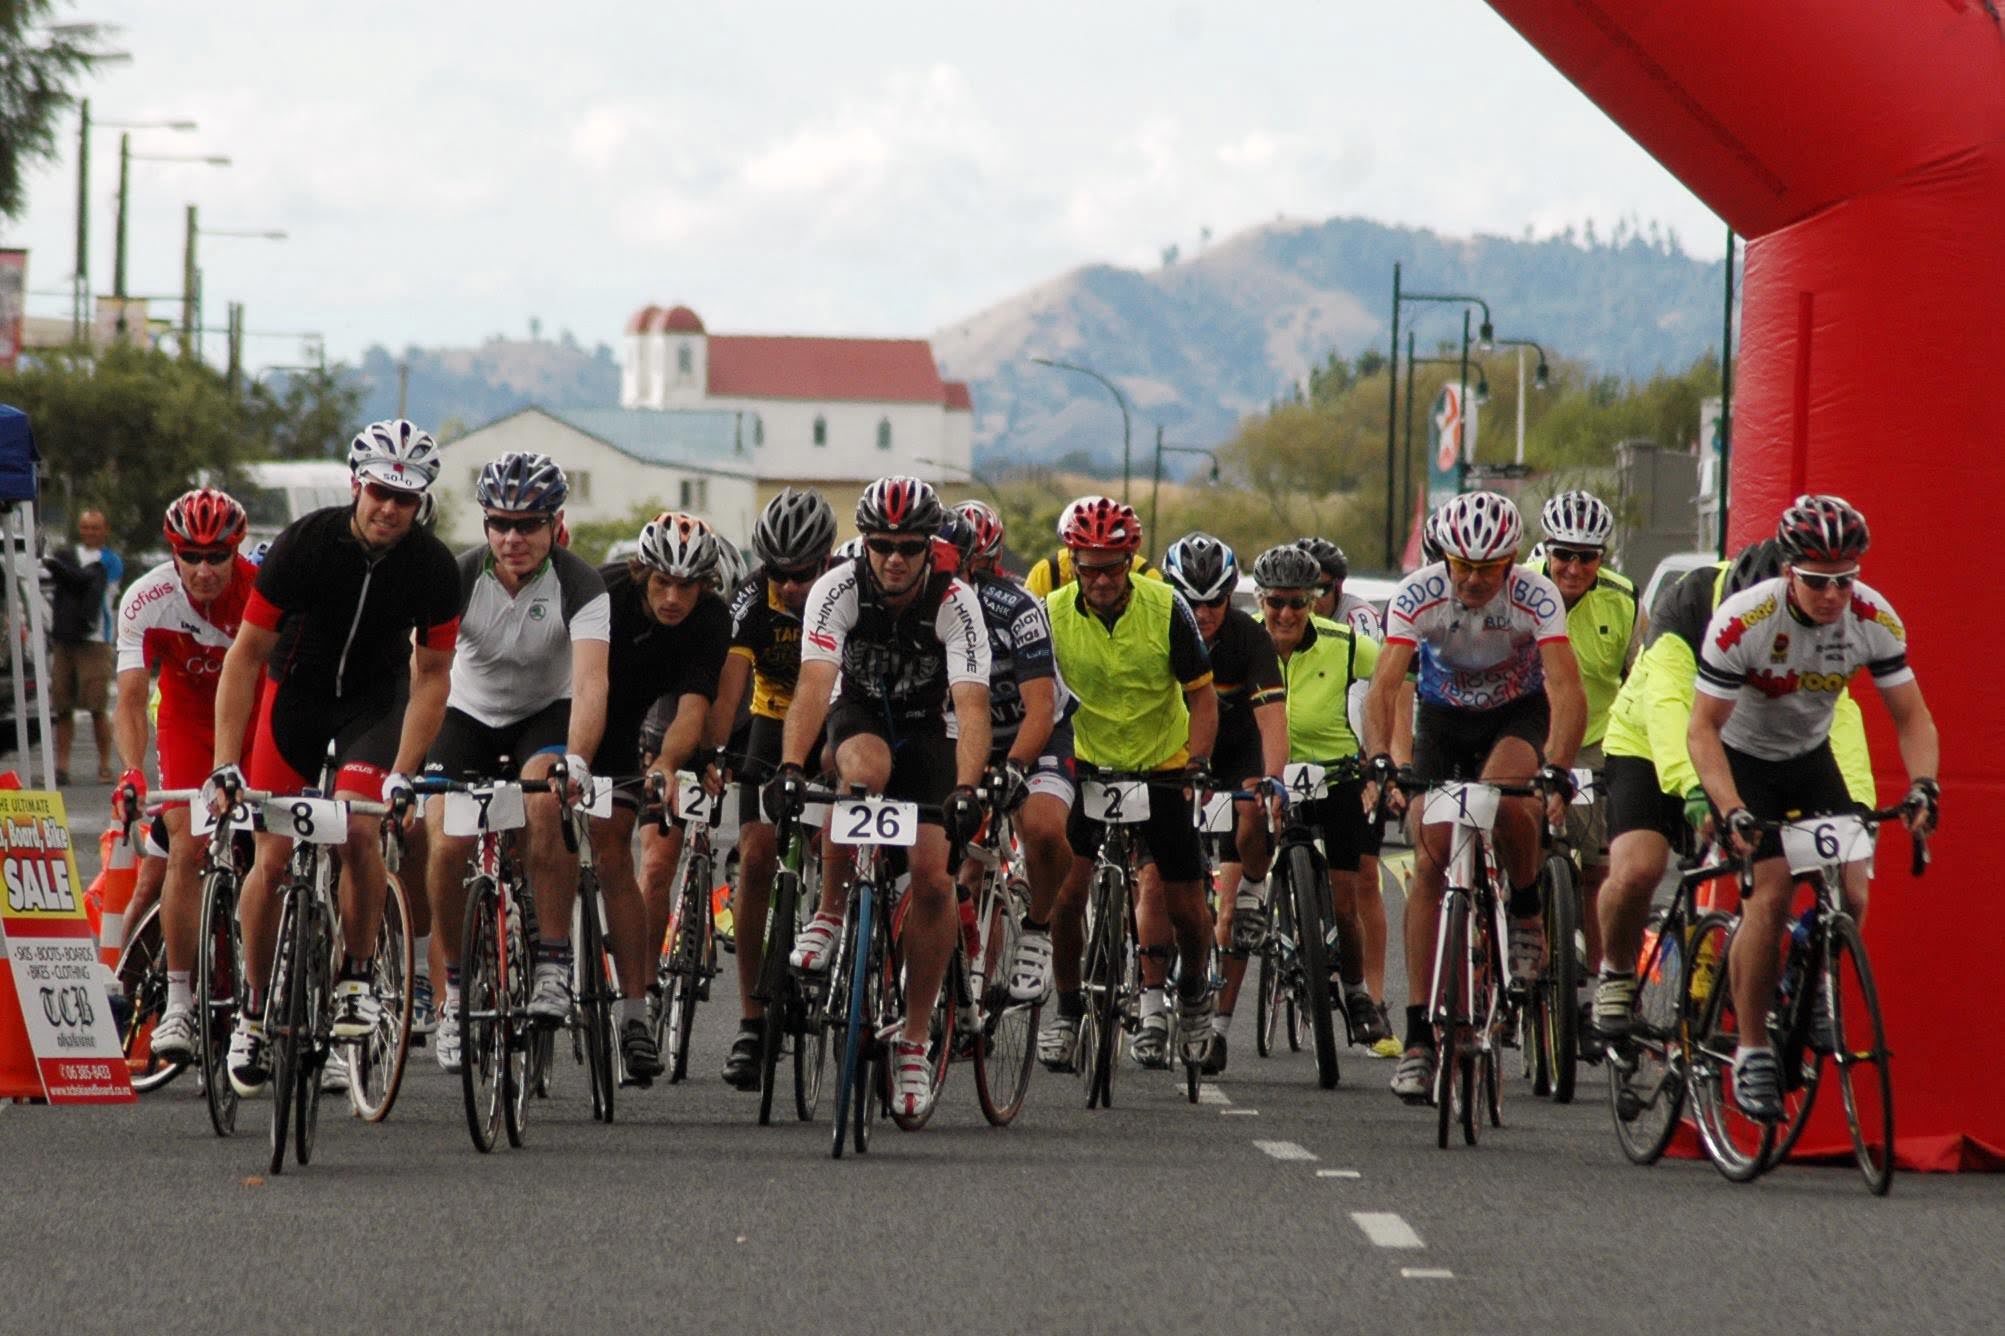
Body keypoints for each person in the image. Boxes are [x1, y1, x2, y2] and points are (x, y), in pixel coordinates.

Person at [207, 419, 460, 1098]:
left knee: (357, 828)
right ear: (357, 484)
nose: (389, 508)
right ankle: (254, 1012)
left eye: (405, 498)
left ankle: (353, 976)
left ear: (421, 502)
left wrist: (405, 771)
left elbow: (433, 675)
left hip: (373, 706)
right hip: (296, 698)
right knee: (273, 858)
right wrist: (225, 763)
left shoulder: (433, 568)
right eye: (380, 491)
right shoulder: (306, 543)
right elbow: (247, 656)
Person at [1687, 495, 1937, 1121]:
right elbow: (1701, 731)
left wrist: (1924, 785)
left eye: (1845, 581)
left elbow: (1911, 716)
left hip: (1807, 755)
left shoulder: (1872, 617)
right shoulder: (1745, 621)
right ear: (1788, 570)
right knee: (1768, 894)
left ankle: (1806, 964)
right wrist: (1731, 809)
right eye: (1819, 582)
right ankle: (1750, 1053)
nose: (1833, 595)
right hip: (1742, 761)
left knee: (1853, 892)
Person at [1590, 537, 1877, 1039]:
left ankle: (1805, 978)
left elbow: (1840, 715)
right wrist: (1695, 790)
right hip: (1650, 740)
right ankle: (1616, 970)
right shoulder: (1686, 606)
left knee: (1835, 881)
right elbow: (1669, 706)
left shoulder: (1809, 619)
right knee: (1638, 868)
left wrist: (1857, 804)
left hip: (1744, 743)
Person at [769, 477, 991, 1120]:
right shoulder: (837, 586)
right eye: (881, 544)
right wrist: (788, 765)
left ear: (930, 549)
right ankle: (834, 911)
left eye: (909, 546)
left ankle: (915, 1040)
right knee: (862, 769)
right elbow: (813, 686)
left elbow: (972, 709)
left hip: (929, 728)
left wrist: (967, 790)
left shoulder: (956, 600)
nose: (894, 558)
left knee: (932, 880)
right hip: (860, 712)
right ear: (863, 544)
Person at [1361, 490, 1585, 1103]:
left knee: (1509, 799)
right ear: (1445, 559)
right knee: (1430, 860)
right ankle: (1416, 1038)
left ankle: (1526, 909)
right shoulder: (1418, 594)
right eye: (1464, 566)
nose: (1476, 579)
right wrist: (1382, 760)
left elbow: (1565, 691)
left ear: (1512, 561)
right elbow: (1384, 687)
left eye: (1490, 568)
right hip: (1444, 720)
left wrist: (1560, 767)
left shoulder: (1535, 597)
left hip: (1517, 713)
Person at [419, 453, 620, 1074]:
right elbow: (423, 677)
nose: (513, 538)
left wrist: (578, 761)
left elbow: (590, 686)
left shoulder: (581, 583)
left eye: (529, 525)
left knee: (544, 800)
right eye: (501, 523)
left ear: (554, 526)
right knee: (446, 844)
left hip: (547, 713)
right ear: (484, 525)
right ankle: (454, 994)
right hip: (467, 716)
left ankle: (554, 961)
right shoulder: (454, 579)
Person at [1033, 497, 1219, 1072]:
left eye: (1113, 565)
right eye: (1089, 566)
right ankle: (1066, 1011)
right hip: (1084, 765)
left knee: (1186, 904)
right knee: (1065, 897)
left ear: (1132, 559)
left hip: (1160, 764)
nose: (1102, 578)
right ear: (1073, 561)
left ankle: (1191, 997)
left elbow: (1202, 696)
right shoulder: (1051, 612)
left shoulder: (1167, 607)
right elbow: (1034, 698)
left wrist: (1197, 760)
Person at [107, 489, 256, 1061]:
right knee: (187, 848)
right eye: (189, 555)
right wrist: (130, 773)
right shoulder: (147, 598)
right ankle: (178, 1004)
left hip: (257, 721)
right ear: (172, 553)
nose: (203, 569)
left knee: (276, 849)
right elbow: (129, 697)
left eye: (217, 556)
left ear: (236, 552)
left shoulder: (263, 584)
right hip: (189, 726)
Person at [702, 487, 836, 1088]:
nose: (789, 587)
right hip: (772, 720)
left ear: (826, 563)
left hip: (837, 721)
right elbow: (729, 686)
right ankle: (752, 1021)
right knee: (755, 856)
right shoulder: (752, 599)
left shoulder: (845, 593)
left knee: (836, 835)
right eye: (778, 572)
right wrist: (710, 752)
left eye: (802, 574)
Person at [596, 512, 732, 1083]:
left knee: (614, 851)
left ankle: (632, 1012)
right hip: (571, 707)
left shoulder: (711, 619)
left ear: (705, 587)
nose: (673, 597)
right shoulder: (605, 592)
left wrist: (668, 768)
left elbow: (693, 710)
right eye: (662, 584)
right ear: (641, 572)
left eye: (687, 587)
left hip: (632, 725)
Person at [940, 500, 1077, 1013]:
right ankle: (965, 989)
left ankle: (1039, 926)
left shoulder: (1017, 608)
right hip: (968, 732)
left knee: (1042, 828)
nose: (959, 578)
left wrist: (1015, 769)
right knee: (963, 866)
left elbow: (1041, 709)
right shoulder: (927, 606)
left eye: (969, 567)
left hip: (1035, 732)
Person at [1252, 544, 1390, 1051]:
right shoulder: (1246, 645)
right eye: (1274, 603)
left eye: (1296, 603)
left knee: (1345, 899)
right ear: (1260, 601)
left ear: (1313, 601)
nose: (1285, 614)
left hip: (1335, 775)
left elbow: (1393, 682)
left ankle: (1357, 995)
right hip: (1267, 776)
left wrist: (1383, 756)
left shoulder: (1347, 643)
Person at [1158, 532, 1284, 1075]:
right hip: (1174, 754)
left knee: (1232, 911)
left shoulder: (1249, 638)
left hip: (1236, 756)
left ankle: (1220, 1028)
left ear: (1231, 597)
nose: (1204, 612)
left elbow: (1272, 719)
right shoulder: (1158, 628)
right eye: (1192, 601)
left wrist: (1273, 781)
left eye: (1215, 601)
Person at [1529, 490, 1638, 1043]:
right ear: (1545, 549)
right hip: (1527, 733)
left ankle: (1598, 993)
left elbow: (1631, 679)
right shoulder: (1517, 588)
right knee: (1518, 854)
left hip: (1594, 741)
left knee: (1597, 869)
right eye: (1562, 554)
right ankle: (1506, 965)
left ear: (1603, 557)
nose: (1572, 568)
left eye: (1587, 557)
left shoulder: (1623, 600)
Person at [1296, 533, 1396, 1051]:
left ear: (1338, 588)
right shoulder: (1283, 618)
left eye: (1320, 589)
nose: (1308, 601)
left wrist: (1375, 763)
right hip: (1293, 756)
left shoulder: (1357, 622)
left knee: (1363, 876)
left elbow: (1369, 695)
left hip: (1351, 754)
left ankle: (1373, 997)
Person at [44, 508, 124, 785]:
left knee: (96, 706)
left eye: (95, 527)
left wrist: (61, 569)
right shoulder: (69, 556)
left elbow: (88, 584)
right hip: (66, 637)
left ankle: (104, 764)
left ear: (105, 530)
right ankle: (62, 766)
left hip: (95, 638)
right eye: (85, 527)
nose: (90, 532)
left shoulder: (110, 561)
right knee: (62, 705)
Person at [1024, 496, 1161, 597]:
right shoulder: (1048, 573)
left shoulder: (1147, 575)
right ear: (1072, 557)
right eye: (1089, 570)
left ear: (1130, 560)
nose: (1102, 581)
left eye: (1114, 568)